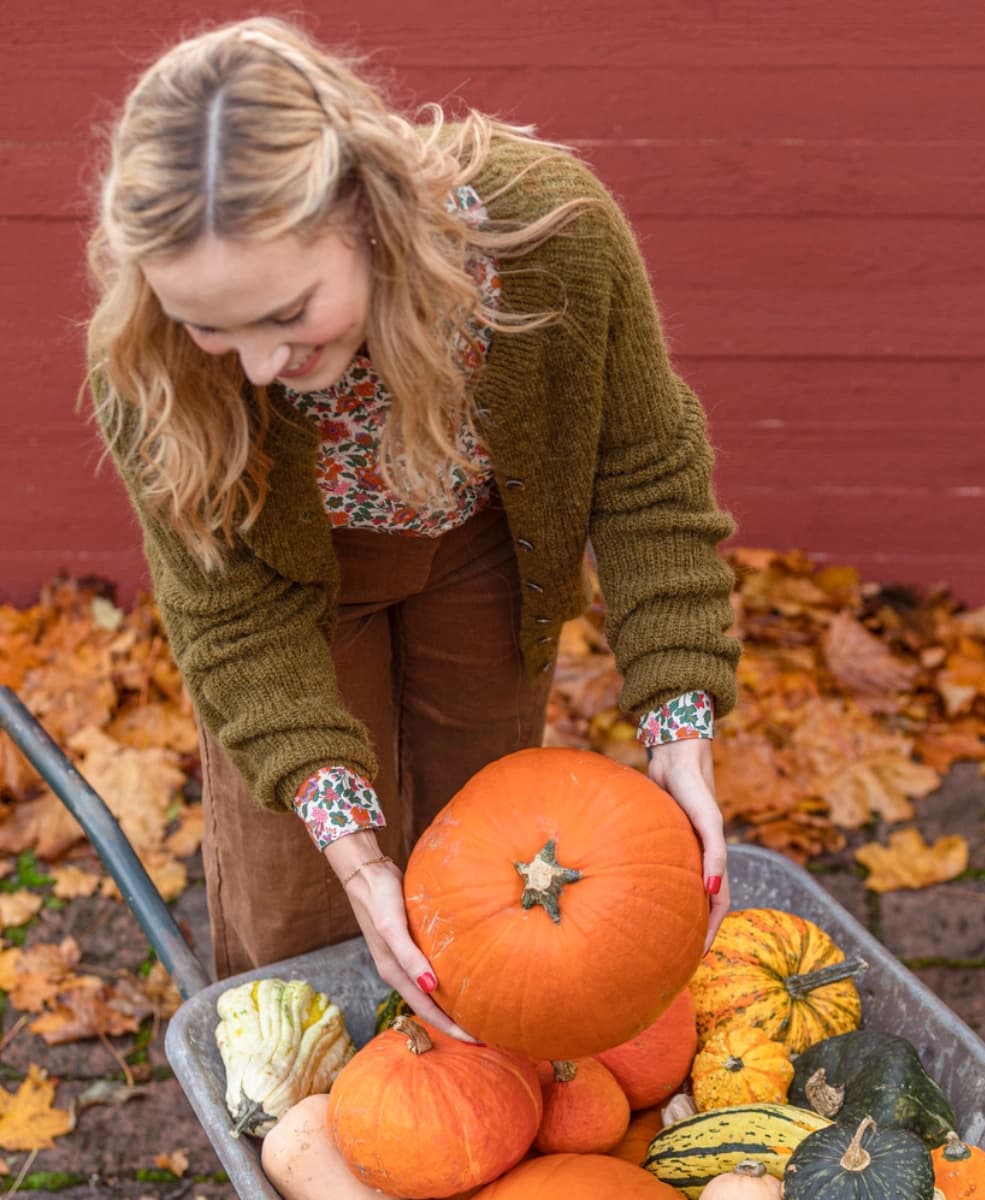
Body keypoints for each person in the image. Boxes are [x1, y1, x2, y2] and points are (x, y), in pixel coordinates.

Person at [86, 16, 742, 1039]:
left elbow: (645, 469)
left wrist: (679, 727)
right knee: (299, 892)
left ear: (365, 212)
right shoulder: (151, 371)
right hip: (291, 599)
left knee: (487, 852)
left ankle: (483, 1078)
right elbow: (232, 620)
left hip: (482, 552)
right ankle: (315, 1102)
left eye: (288, 313)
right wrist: (354, 854)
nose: (256, 365)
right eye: (211, 325)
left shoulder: (550, 241)